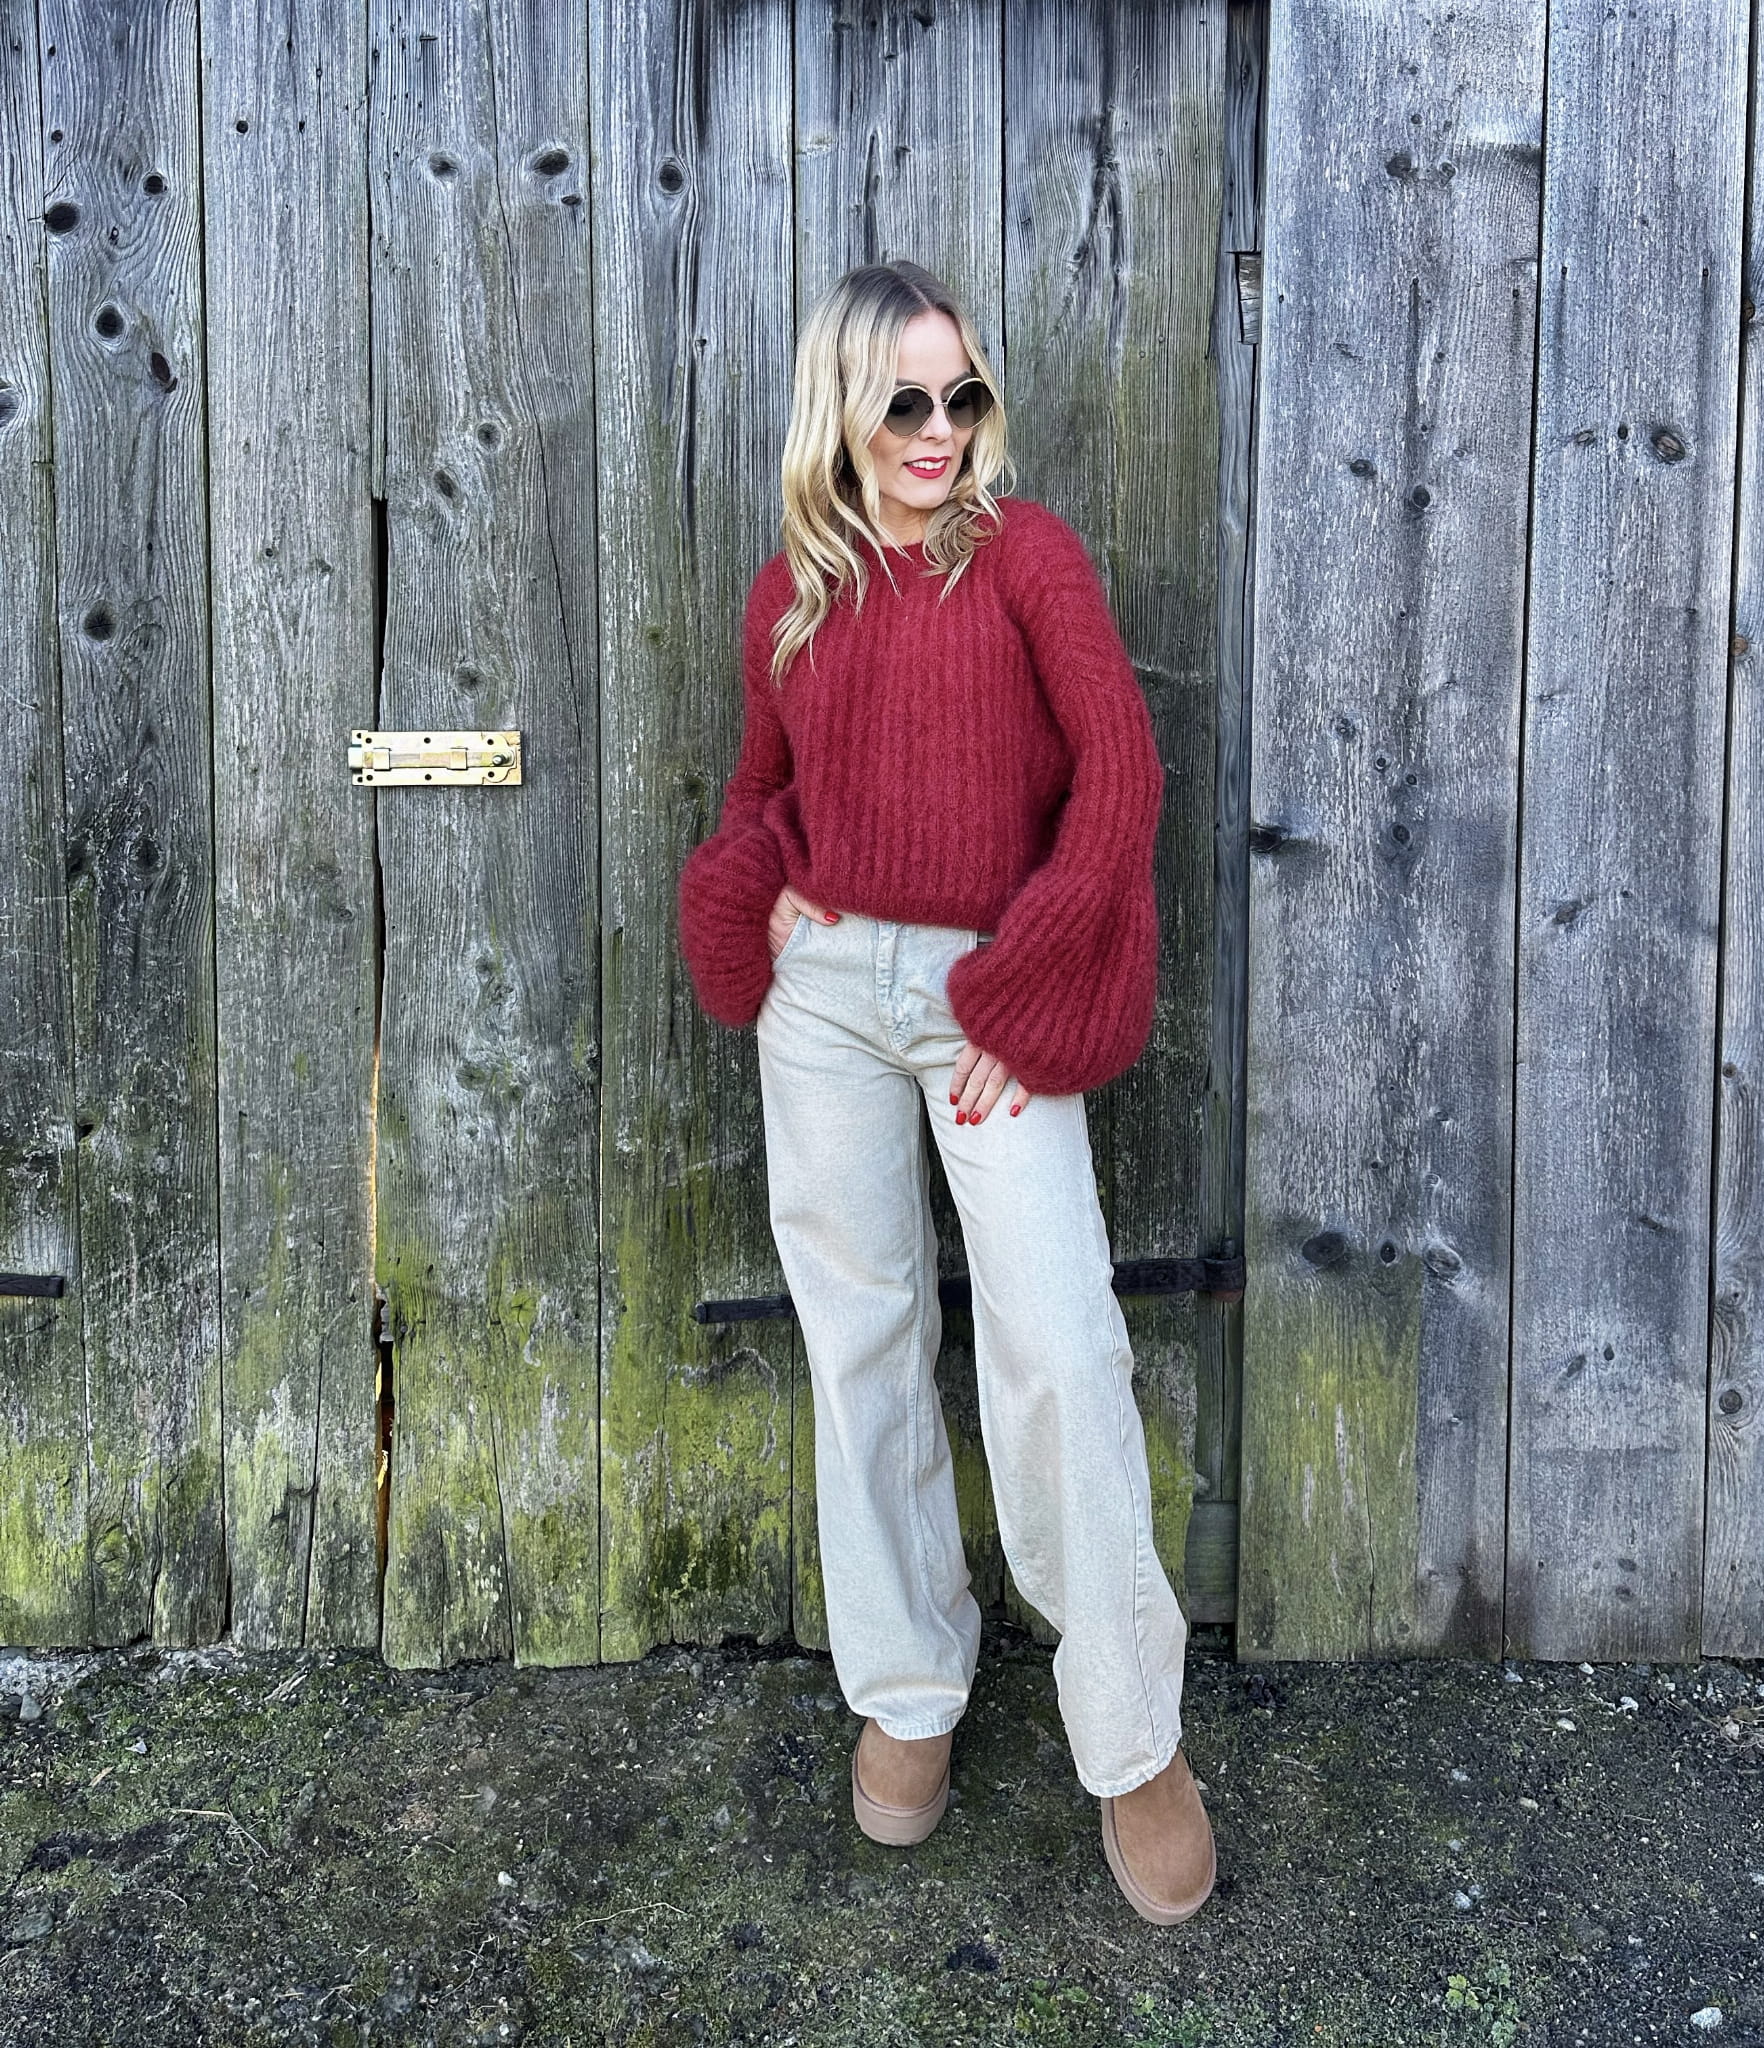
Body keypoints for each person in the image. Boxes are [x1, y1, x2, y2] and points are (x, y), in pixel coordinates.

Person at [676, 259, 1214, 1927]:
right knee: (864, 1343)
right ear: (842, 410)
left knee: (1058, 1346)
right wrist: (757, 887)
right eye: (904, 399)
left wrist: (1026, 980)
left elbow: (1121, 773)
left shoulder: (1025, 555)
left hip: (991, 1000)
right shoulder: (794, 592)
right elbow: (764, 789)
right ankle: (908, 1690)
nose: (939, 428)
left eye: (961, 395)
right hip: (829, 1005)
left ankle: (1131, 1739)